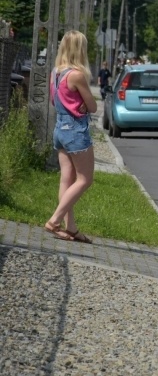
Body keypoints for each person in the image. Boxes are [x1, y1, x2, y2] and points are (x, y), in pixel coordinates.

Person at [44, 30, 97, 243]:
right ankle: (54, 220)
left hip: (60, 128)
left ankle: (71, 227)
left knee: (67, 179)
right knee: (85, 179)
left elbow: (54, 101)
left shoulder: (56, 72)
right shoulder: (76, 75)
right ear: (79, 49)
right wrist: (83, 104)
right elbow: (93, 106)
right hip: (75, 130)